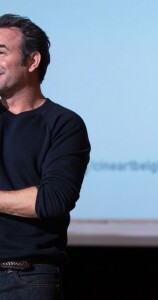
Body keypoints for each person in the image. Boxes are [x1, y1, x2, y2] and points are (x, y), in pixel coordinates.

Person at [0, 14, 90, 299]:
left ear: (32, 61)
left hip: (23, 278)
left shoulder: (63, 124)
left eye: (1, 53)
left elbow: (52, 201)